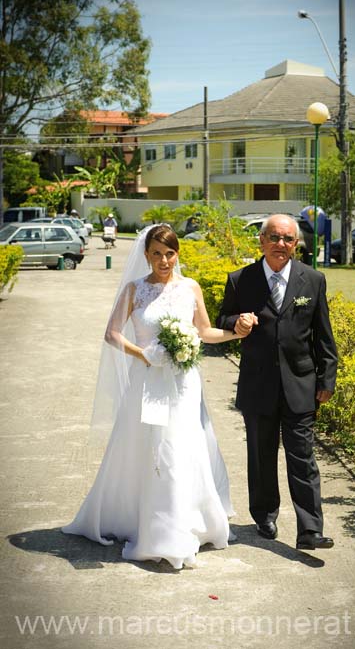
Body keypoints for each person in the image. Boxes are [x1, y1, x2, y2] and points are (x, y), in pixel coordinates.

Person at [62, 224, 249, 569]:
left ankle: (181, 525)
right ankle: (152, 527)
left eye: (170, 253)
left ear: (178, 254)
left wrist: (235, 332)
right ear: (146, 256)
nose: (164, 260)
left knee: (181, 448)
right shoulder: (135, 290)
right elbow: (112, 334)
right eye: (157, 254)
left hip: (183, 384)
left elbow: (204, 331)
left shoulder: (190, 288)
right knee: (150, 448)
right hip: (147, 379)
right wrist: (144, 353)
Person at [216, 214, 338, 551]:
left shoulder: (312, 280)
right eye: (274, 237)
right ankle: (265, 514)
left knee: (303, 457)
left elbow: (323, 336)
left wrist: (326, 378)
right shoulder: (241, 279)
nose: (280, 245)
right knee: (261, 454)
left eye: (287, 239)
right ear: (262, 241)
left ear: (296, 244)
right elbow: (222, 318)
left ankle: (310, 529)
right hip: (257, 384)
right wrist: (236, 321)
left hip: (300, 384)